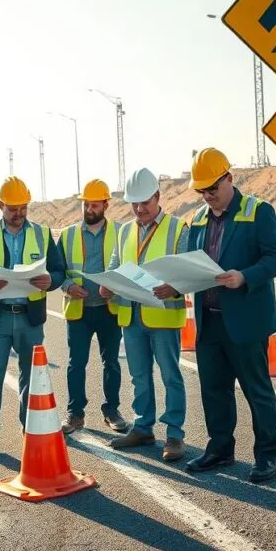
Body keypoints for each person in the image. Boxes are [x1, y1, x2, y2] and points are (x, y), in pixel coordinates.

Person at [182, 148, 276, 483]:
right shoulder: (198, 219)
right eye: (202, 191)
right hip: (209, 319)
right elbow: (190, 263)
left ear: (229, 178)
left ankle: (269, 455)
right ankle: (220, 449)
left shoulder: (258, 212)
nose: (207, 196)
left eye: (212, 188)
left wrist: (245, 277)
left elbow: (274, 259)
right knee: (214, 389)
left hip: (245, 320)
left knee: (257, 390)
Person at [0, 176, 65, 462]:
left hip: (30, 319)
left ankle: (29, 430)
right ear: (0, 206)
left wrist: (51, 281)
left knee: (31, 378)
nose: (19, 214)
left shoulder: (42, 234)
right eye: (12, 209)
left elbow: (59, 271)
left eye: (23, 208)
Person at [99, 168, 189, 461]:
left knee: (170, 376)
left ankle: (174, 435)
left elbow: (190, 271)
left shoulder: (177, 228)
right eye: (134, 204)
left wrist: (174, 287)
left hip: (162, 316)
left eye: (144, 203)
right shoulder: (125, 230)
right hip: (132, 315)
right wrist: (107, 286)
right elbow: (115, 265)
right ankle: (143, 427)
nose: (139, 209)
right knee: (139, 376)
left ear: (158, 197)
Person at [57, 179, 128, 434]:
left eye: (94, 205)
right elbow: (56, 270)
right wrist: (67, 286)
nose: (89, 209)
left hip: (109, 308)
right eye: (86, 204)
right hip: (79, 309)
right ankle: (75, 413)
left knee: (111, 362)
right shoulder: (67, 235)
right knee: (76, 363)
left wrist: (115, 287)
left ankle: (112, 410)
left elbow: (126, 269)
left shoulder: (121, 233)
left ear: (106, 205)